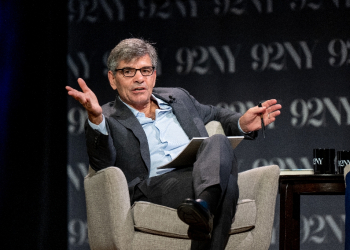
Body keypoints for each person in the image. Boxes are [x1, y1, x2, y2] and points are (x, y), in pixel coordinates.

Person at [66, 38, 281, 250]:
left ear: (154, 74)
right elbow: (101, 164)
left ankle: (204, 205)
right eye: (128, 71)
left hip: (199, 174)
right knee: (227, 185)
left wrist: (241, 123)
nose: (139, 78)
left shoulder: (178, 97)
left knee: (218, 141)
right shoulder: (106, 116)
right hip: (154, 186)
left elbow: (215, 113)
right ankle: (206, 201)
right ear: (113, 79)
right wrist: (95, 119)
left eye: (146, 70)